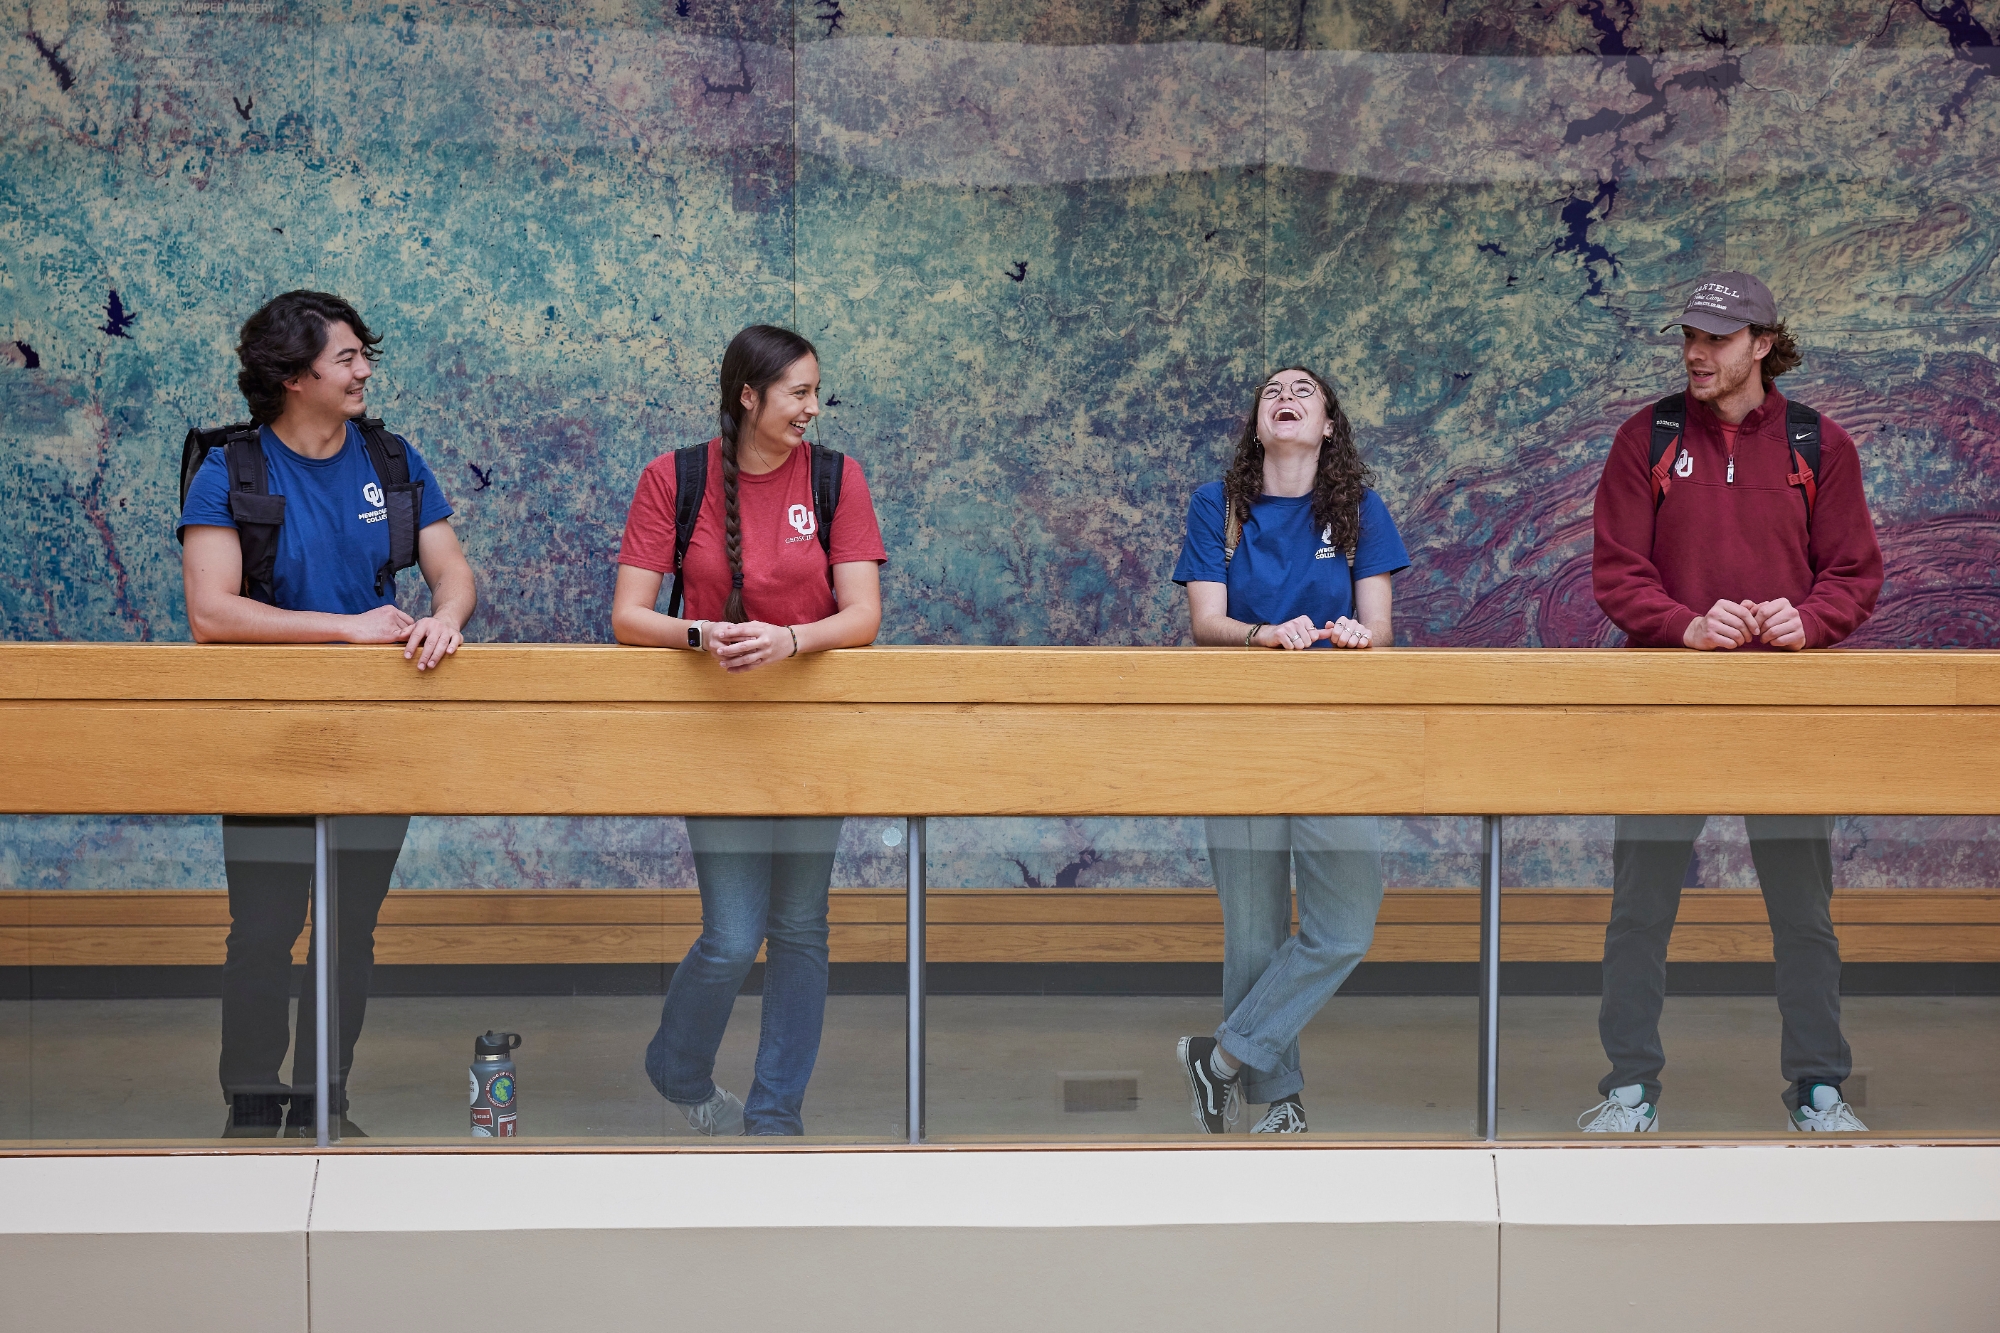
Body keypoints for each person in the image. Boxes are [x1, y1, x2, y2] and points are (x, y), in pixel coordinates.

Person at [1584, 271, 1883, 1133]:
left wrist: (1806, 619)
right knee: (1640, 908)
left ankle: (1819, 1090)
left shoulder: (1818, 443)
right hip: (1669, 706)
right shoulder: (1646, 437)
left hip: (1781, 714)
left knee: (1803, 911)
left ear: (1762, 344)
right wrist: (1686, 626)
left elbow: (1854, 572)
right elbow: (1617, 571)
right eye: (1690, 335)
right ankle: (1629, 1089)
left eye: (1716, 338)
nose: (1696, 352)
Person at [179, 290, 476, 1137]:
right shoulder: (230, 470)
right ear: (291, 375)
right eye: (345, 358)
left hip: (376, 730)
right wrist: (345, 628)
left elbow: (453, 572)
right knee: (263, 928)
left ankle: (322, 1100)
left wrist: (446, 617)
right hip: (267, 732)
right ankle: (250, 1102)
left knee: (349, 929)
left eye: (362, 354)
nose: (364, 371)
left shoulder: (391, 458)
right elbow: (212, 613)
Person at [612, 324, 886, 1136]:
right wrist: (705, 634)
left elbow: (863, 615)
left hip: (812, 735)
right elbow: (629, 616)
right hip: (717, 732)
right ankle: (678, 1065)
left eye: (814, 391)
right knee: (732, 936)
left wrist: (790, 639)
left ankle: (774, 1116)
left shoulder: (836, 478)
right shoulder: (675, 478)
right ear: (748, 396)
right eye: (798, 392)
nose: (812, 407)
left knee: (800, 928)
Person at [1168, 366, 1411, 1133]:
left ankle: (1221, 1059)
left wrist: (1358, 635)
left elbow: (1382, 627)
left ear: (1328, 424)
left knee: (1345, 927)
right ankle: (1279, 1103)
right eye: (1273, 391)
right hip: (1238, 738)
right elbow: (1206, 622)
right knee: (1254, 930)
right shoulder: (1218, 506)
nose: (1287, 397)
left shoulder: (1360, 509)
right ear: (1257, 423)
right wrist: (1264, 634)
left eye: (1305, 391)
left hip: (1334, 742)